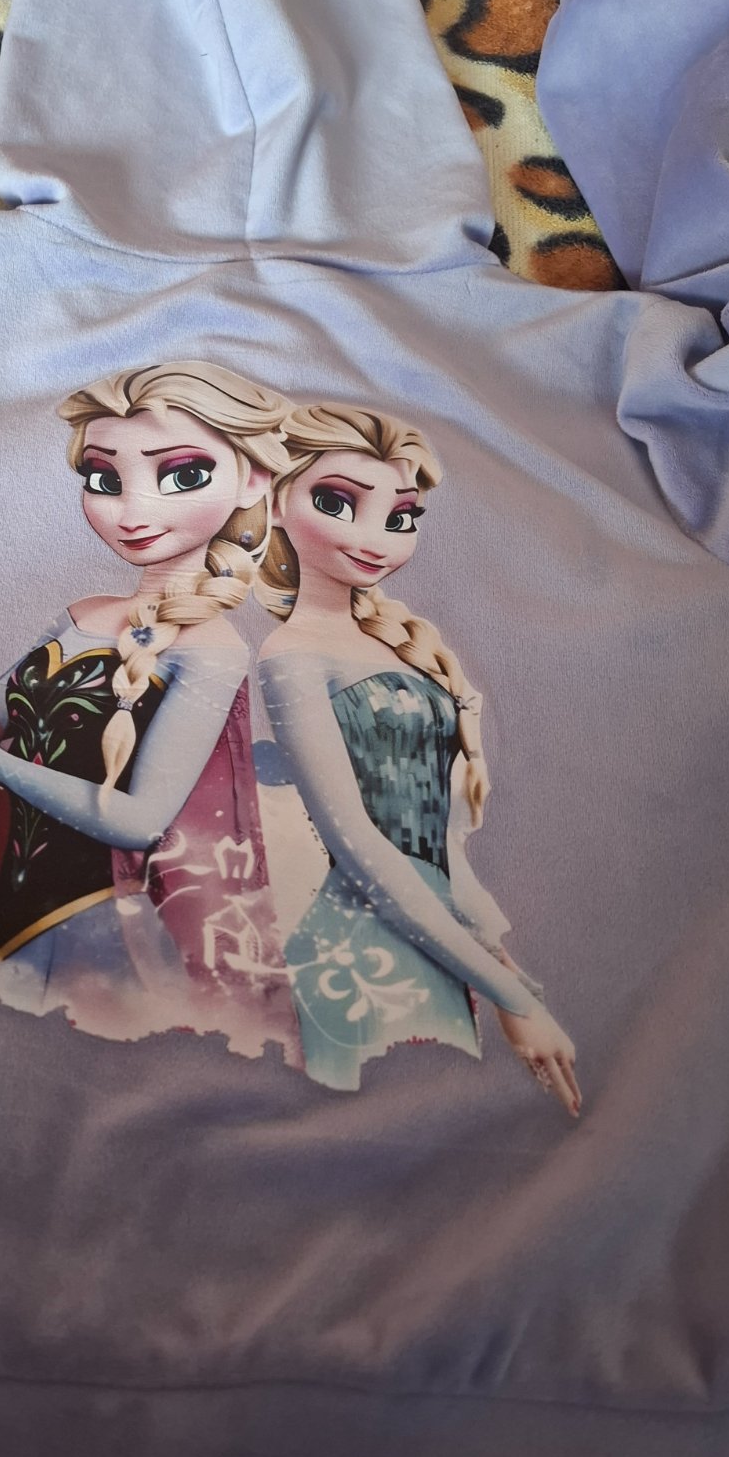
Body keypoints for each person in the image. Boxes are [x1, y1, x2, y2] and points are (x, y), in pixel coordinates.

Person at [0, 360, 304, 1066]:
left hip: (107, 932)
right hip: (3, 921)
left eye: (182, 475)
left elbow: (137, 820)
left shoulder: (212, 649)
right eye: (103, 478)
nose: (129, 510)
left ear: (252, 480)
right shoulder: (80, 617)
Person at [256, 404, 581, 1112]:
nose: (374, 537)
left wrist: (507, 983)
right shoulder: (290, 657)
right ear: (276, 501)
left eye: (400, 516)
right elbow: (359, 845)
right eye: (337, 502)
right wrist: (513, 996)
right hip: (356, 950)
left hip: (434, 936)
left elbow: (439, 851)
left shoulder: (390, 645)